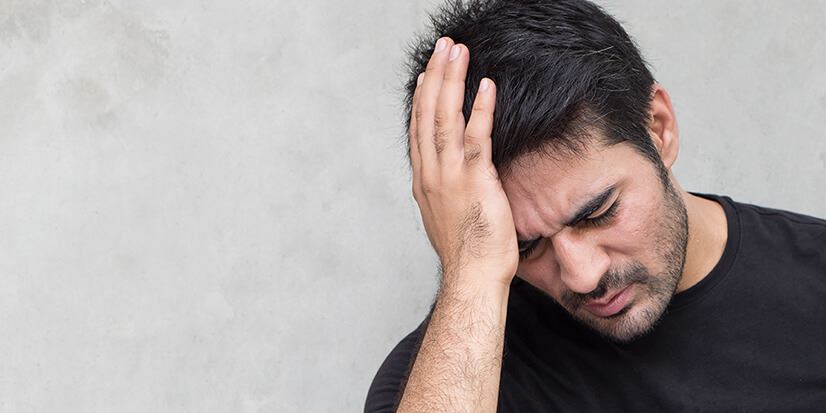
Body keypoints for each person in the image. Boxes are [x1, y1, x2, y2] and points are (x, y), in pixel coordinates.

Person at [365, 0, 826, 411]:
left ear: (659, 129)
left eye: (597, 212)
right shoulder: (434, 383)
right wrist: (472, 267)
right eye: (526, 246)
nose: (582, 276)